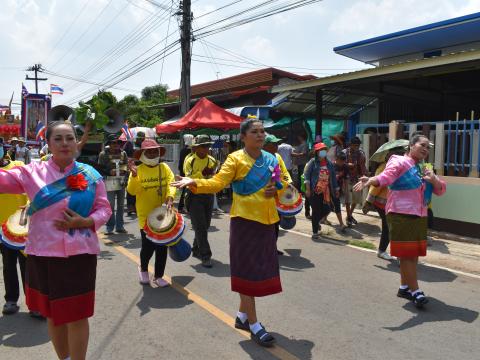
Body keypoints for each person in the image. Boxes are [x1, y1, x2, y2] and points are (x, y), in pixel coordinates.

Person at [172, 118, 290, 347]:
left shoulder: (271, 159)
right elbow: (217, 183)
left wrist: (275, 187)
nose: (260, 135)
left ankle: (242, 316)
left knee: (259, 272)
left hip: (267, 222)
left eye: (262, 131)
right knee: (248, 272)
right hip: (244, 223)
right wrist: (193, 182)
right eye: (255, 132)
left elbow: (282, 180)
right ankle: (255, 325)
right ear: (243, 137)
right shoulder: (235, 159)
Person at [0, 121, 112, 360]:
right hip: (43, 255)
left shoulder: (91, 175)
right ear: (48, 143)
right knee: (53, 314)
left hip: (80, 255)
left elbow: (104, 209)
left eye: (70, 138)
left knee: (77, 315)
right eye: (58, 138)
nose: (65, 143)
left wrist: (86, 222)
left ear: (76, 142)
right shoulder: (31, 173)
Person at [354, 133, 446, 308]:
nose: (426, 149)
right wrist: (371, 180)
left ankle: (404, 287)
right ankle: (416, 291)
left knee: (413, 255)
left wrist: (433, 179)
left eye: (428, 147)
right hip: (401, 214)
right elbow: (386, 177)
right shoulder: (398, 161)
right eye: (422, 145)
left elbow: (440, 190)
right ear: (411, 145)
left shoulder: (424, 167)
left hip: (420, 214)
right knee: (407, 256)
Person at [127, 139, 176, 287]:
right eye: (149, 151)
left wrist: (170, 196)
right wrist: (134, 177)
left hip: (163, 214)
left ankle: (159, 275)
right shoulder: (138, 170)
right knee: (148, 247)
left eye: (155, 151)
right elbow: (131, 191)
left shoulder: (164, 167)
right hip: (145, 216)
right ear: (142, 153)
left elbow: (171, 183)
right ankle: (143, 269)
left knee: (162, 247)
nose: (153, 153)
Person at [365, 147, 406, 261]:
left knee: (389, 227)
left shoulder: (401, 167)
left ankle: (383, 251)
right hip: (383, 203)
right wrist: (369, 200)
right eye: (397, 154)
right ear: (389, 155)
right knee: (392, 227)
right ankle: (395, 255)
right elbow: (376, 184)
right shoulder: (384, 167)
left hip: (394, 203)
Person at [0, 145, 28, 315]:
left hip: (22, 224)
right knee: (8, 265)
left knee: (28, 265)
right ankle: (11, 300)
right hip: (2, 231)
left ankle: (34, 302)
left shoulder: (18, 166)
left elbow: (30, 190)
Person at [183, 135, 218, 268]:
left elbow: (214, 176)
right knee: (200, 227)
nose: (206, 149)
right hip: (194, 195)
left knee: (205, 225)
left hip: (208, 195)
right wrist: (202, 174)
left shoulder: (212, 160)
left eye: (208, 146)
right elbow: (188, 177)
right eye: (203, 146)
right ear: (196, 147)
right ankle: (206, 255)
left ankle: (196, 249)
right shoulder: (190, 160)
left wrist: (213, 175)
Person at [263, 134, 293, 255]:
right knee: (264, 225)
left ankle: (272, 247)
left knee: (275, 223)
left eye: (277, 143)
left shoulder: (278, 156)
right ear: (265, 146)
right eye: (274, 144)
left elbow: (284, 172)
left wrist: (289, 184)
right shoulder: (260, 158)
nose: (276, 146)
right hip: (264, 197)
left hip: (277, 196)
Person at [304, 143, 339, 239]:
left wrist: (336, 189)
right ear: (317, 152)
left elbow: (333, 178)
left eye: (324, 149)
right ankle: (315, 232)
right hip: (315, 190)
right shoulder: (312, 162)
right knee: (316, 211)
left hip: (326, 191)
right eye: (321, 150)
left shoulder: (329, 163)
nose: (323, 151)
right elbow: (306, 176)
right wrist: (307, 189)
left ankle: (316, 222)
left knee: (328, 209)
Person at [98, 134, 129, 235]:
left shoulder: (123, 153)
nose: (116, 144)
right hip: (109, 181)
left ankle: (120, 226)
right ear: (109, 144)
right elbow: (100, 169)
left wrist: (126, 178)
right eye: (113, 142)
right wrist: (109, 171)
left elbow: (126, 167)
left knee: (120, 205)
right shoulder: (103, 154)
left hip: (121, 181)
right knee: (110, 204)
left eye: (118, 142)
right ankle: (110, 227)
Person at [343, 136, 367, 226]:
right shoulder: (344, 153)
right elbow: (339, 164)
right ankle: (349, 217)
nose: (357, 147)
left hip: (357, 179)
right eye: (355, 145)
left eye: (358, 145)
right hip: (346, 179)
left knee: (356, 199)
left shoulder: (361, 154)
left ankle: (349, 215)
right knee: (347, 199)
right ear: (351, 145)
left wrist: (365, 175)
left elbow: (363, 167)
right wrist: (347, 165)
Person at [330, 152, 348, 232]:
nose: (342, 163)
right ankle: (341, 224)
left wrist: (345, 189)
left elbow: (345, 179)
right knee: (336, 205)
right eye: (340, 161)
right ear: (336, 160)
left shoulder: (345, 167)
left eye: (343, 162)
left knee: (332, 205)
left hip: (339, 188)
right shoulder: (331, 166)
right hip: (330, 188)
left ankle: (323, 219)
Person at [177, 134, 194, 214]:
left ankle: (182, 207)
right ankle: (182, 207)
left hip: (183, 172)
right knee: (186, 191)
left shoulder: (183, 149)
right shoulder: (188, 150)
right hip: (186, 173)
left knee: (185, 191)